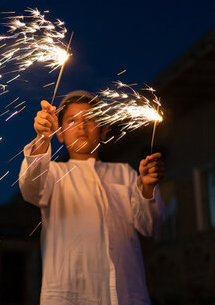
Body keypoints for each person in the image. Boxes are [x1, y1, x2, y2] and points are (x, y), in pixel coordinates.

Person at [19, 90, 165, 304]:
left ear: (104, 130)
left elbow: (150, 226)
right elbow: (30, 188)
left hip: (126, 294)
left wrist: (147, 188)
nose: (81, 126)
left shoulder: (125, 174)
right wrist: (42, 138)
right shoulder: (53, 173)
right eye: (72, 121)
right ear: (59, 133)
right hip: (69, 295)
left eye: (90, 120)